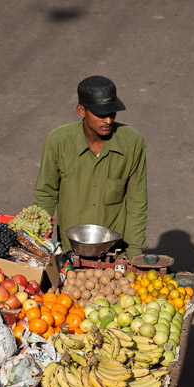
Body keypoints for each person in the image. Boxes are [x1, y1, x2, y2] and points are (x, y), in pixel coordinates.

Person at [33, 75, 148, 258]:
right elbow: (45, 194)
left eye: (112, 113)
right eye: (101, 114)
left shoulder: (132, 142)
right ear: (81, 111)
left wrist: (133, 251)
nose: (109, 120)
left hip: (115, 251)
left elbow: (137, 201)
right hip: (71, 250)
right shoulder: (58, 141)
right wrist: (38, 244)